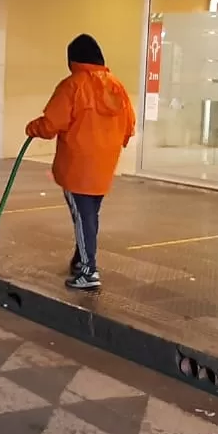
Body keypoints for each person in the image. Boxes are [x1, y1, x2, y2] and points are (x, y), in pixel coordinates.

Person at [25, 34, 136, 291]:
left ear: (73, 60)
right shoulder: (116, 86)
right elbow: (129, 127)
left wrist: (33, 128)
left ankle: (88, 270)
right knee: (89, 214)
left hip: (77, 165)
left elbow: (52, 123)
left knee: (83, 216)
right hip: (104, 165)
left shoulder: (73, 85)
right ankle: (80, 259)